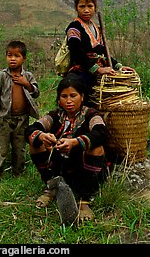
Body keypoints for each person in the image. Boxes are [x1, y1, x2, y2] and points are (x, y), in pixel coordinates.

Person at [25, 73, 109, 225]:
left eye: (73, 95)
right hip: (61, 166)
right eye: (64, 96)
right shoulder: (55, 115)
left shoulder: (91, 115)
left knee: (96, 147)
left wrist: (75, 142)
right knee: (35, 143)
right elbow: (31, 129)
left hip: (84, 168)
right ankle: (51, 187)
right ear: (59, 99)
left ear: (82, 96)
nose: (69, 101)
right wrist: (42, 136)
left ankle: (85, 200)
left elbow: (101, 133)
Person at [64, 0, 135, 99]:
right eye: (82, 6)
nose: (86, 10)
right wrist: (98, 69)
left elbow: (103, 52)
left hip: (98, 68)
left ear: (95, 8)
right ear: (76, 8)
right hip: (81, 70)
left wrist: (118, 66)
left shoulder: (96, 28)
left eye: (90, 6)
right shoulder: (74, 28)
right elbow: (77, 53)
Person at [0, 40, 40, 185]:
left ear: (24, 58)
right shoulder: (2, 75)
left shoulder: (28, 76)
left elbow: (36, 93)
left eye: (17, 56)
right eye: (9, 55)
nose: (12, 59)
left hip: (22, 119)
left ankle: (18, 172)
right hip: (5, 118)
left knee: (19, 147)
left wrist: (26, 84)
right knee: (1, 148)